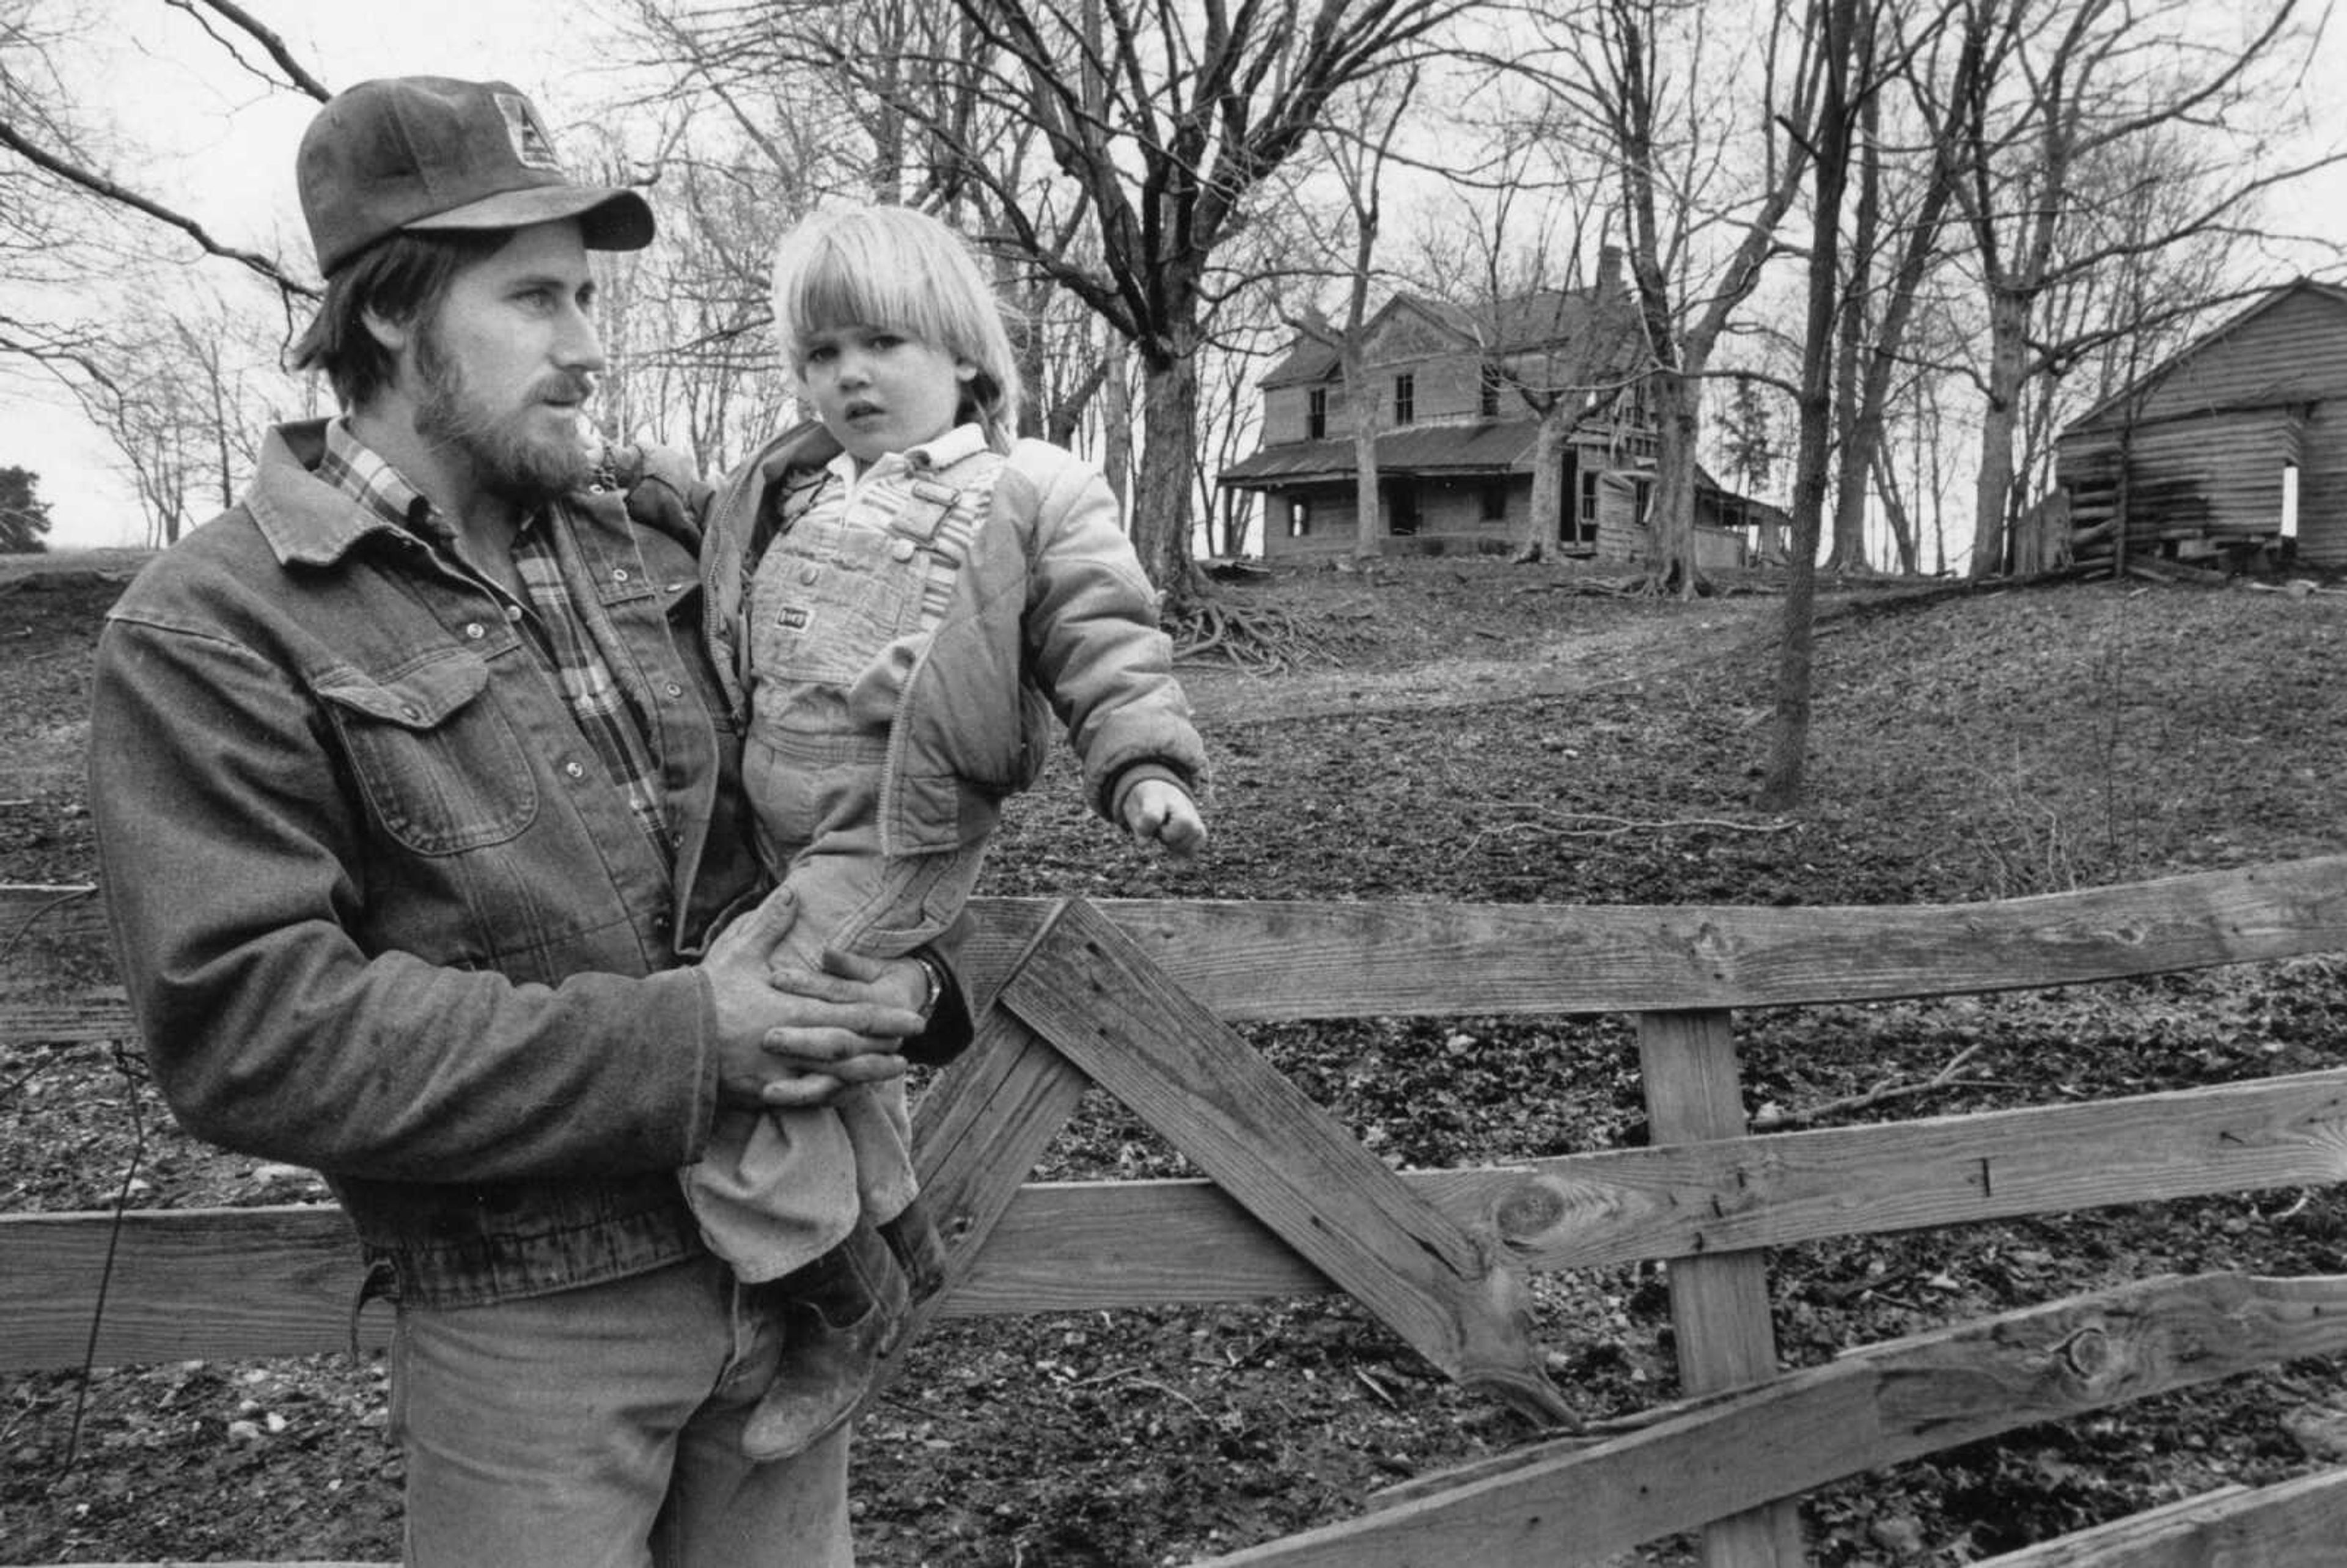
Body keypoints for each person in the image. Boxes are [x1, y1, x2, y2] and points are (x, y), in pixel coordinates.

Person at [86, 76, 968, 1568]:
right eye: (538, 298)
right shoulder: (213, 627)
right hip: (534, 1314)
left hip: (800, 1260)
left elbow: (845, 801)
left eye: (588, 296)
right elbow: (250, 1025)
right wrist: (692, 1043)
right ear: (390, 314)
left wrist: (908, 987)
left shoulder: (660, 541)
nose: (585, 346)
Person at [683, 203, 1210, 1461]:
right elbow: (702, 556)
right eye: (820, 352)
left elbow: (1104, 632)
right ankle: (901, 1235)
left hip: (896, 827)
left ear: (966, 354)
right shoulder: (792, 485)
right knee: (840, 1045)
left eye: (881, 341)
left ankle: (833, 1301)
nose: (848, 374)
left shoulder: (1028, 492)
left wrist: (1140, 763)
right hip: (779, 827)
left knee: (746, 1024)